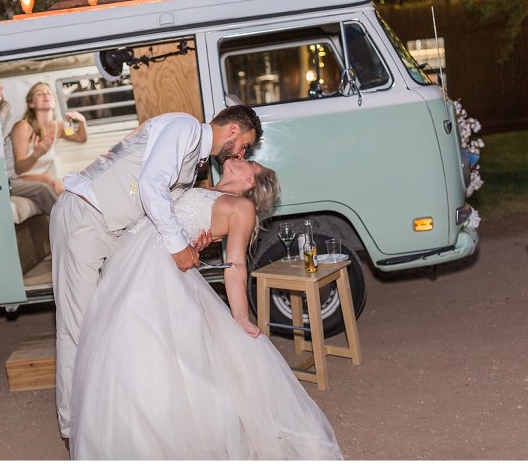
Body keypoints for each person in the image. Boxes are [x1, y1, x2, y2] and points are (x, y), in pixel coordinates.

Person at [68, 159, 343, 459]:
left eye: (250, 161)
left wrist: (239, 317)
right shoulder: (204, 188)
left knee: (140, 347)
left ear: (251, 181)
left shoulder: (242, 207)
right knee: (123, 350)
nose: (242, 158)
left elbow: (235, 263)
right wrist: (191, 244)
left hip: (153, 274)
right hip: (130, 264)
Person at [49, 105, 262, 439]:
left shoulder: (195, 163)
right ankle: (74, 427)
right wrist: (179, 246)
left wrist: (191, 238)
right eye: (244, 145)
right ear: (233, 130)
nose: (240, 152)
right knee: (78, 324)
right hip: (86, 215)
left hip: (116, 230)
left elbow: (163, 207)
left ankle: (106, 417)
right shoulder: (185, 127)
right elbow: (151, 183)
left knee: (107, 323)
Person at [4, 82, 88, 213]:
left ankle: (79, 216)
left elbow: (80, 138)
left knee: (66, 185)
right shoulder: (23, 127)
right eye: (39, 93)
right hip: (11, 178)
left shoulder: (57, 127)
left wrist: (82, 121)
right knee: (49, 181)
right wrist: (36, 155)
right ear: (31, 103)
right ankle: (68, 220)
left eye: (49, 93)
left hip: (32, 177)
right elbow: (19, 169)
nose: (46, 95)